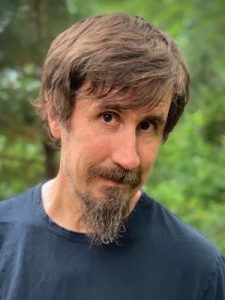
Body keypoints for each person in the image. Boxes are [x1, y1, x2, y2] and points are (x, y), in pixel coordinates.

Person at [0, 13, 224, 300]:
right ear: (56, 114)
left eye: (147, 126)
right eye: (109, 117)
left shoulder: (196, 271)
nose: (129, 159)